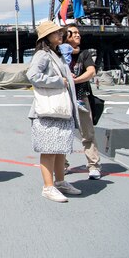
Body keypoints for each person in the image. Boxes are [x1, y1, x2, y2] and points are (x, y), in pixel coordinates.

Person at [27, 21, 82, 203]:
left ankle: (60, 182)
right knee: (49, 149)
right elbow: (33, 75)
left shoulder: (54, 54)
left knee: (59, 150)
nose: (61, 35)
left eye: (61, 32)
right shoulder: (42, 54)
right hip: (48, 111)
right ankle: (48, 187)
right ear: (46, 37)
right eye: (56, 32)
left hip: (58, 110)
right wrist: (60, 81)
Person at [65, 23, 102, 179]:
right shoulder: (60, 54)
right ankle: (63, 165)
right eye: (73, 33)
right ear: (65, 37)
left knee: (87, 133)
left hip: (81, 96)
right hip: (64, 98)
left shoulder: (85, 54)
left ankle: (93, 166)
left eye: (78, 33)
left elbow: (91, 72)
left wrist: (75, 80)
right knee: (63, 133)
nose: (77, 35)